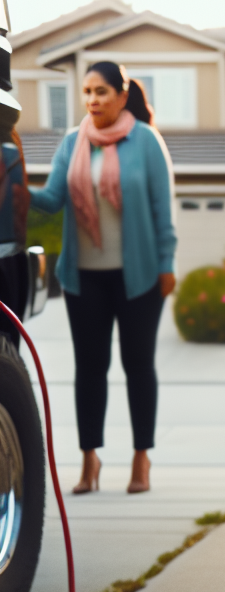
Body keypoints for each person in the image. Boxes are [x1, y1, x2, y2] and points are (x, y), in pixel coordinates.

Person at [30, 61, 176, 494]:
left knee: (138, 367)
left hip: (141, 277)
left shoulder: (145, 142)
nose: (92, 100)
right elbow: (53, 198)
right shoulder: (73, 142)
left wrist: (167, 266)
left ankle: (140, 459)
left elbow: (161, 209)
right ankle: (89, 460)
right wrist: (15, 184)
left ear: (122, 96)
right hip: (84, 278)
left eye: (101, 92)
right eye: (87, 92)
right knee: (90, 369)